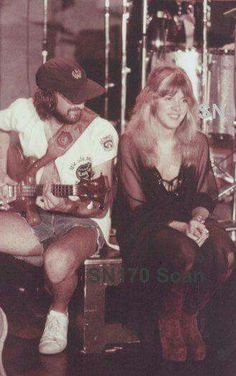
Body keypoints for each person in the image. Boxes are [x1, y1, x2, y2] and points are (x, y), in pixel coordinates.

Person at [116, 64, 235, 362]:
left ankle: (188, 314)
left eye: (184, 101)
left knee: (225, 250)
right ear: (151, 100)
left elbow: (205, 194)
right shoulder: (131, 141)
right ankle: (167, 316)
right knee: (185, 252)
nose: (177, 108)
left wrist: (196, 219)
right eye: (169, 98)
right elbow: (136, 205)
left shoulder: (197, 141)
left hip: (185, 222)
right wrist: (181, 228)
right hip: (145, 226)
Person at [0, 57, 118, 354]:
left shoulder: (100, 131)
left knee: (57, 262)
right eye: (70, 97)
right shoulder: (23, 111)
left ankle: (58, 312)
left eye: (82, 95)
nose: (79, 104)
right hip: (35, 216)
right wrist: (3, 171)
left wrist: (65, 204)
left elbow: (100, 203)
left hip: (83, 222)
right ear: (47, 96)